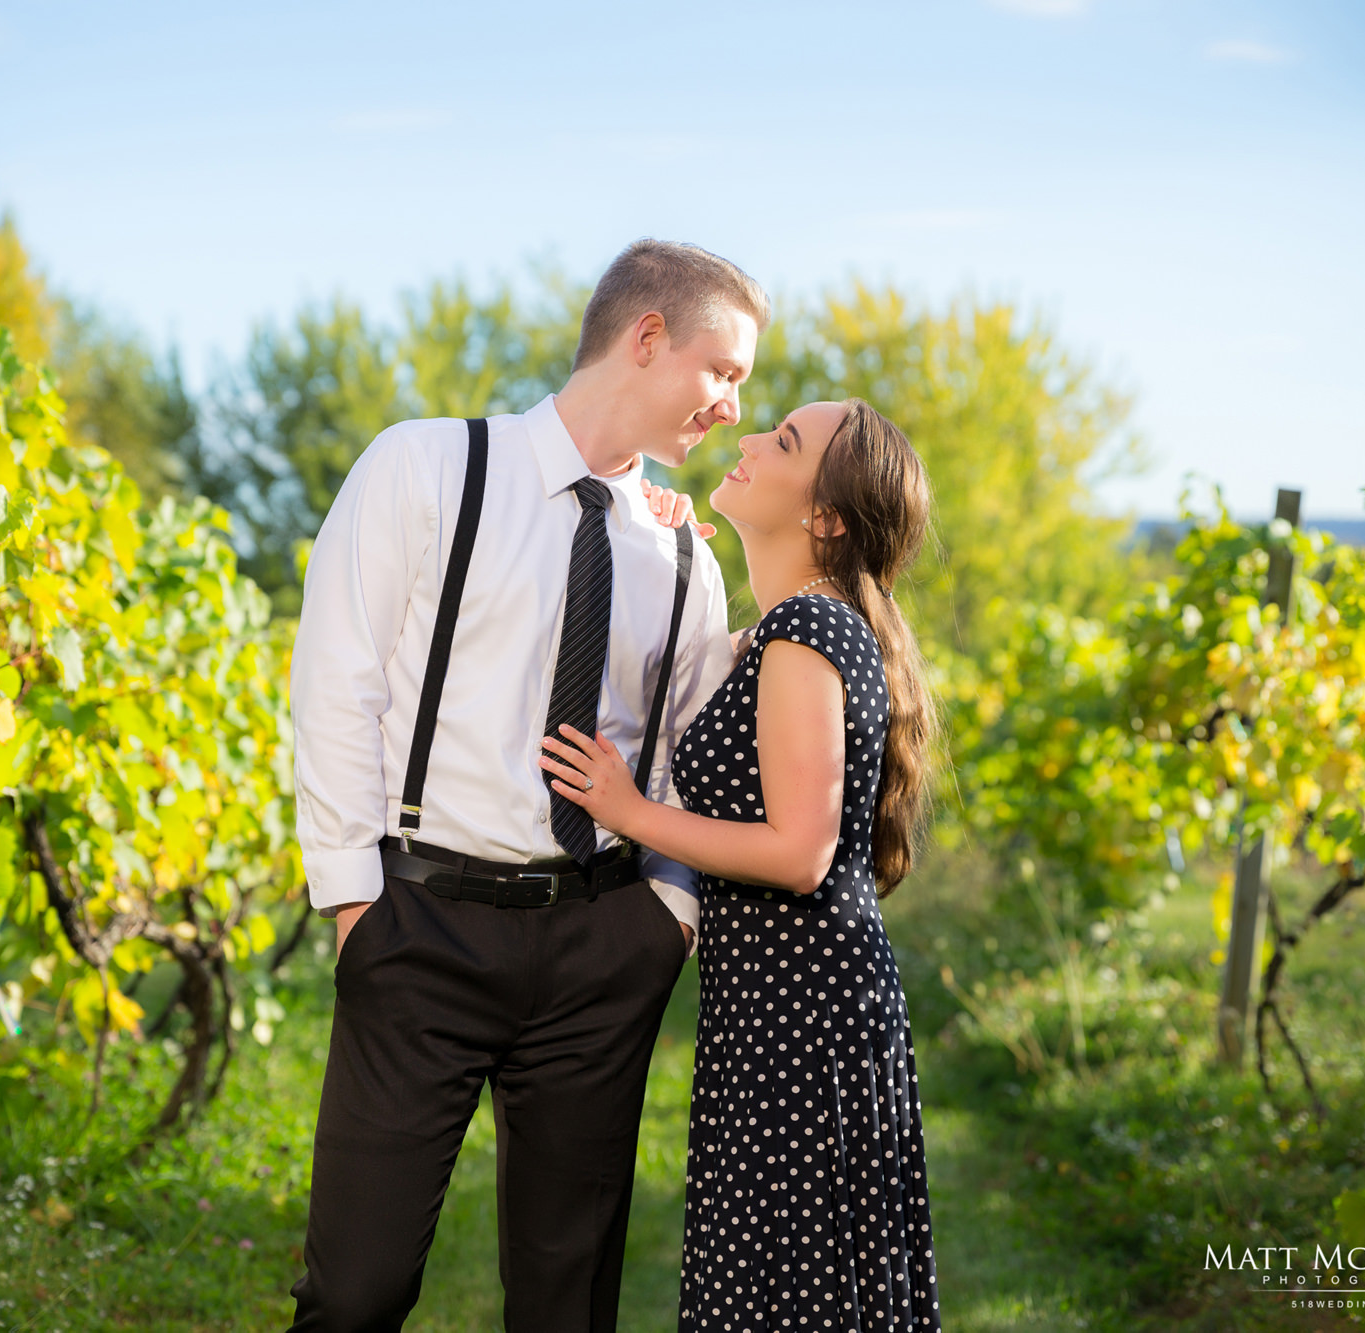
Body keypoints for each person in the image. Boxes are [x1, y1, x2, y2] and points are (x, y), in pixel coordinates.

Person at [286, 239, 768, 1332]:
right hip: (419, 928)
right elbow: (336, 684)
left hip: (601, 947)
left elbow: (686, 754)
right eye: (722, 372)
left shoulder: (683, 556)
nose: (731, 408)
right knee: (356, 1291)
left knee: (566, 1302)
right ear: (645, 338)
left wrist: (670, 912)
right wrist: (354, 902)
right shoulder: (424, 467)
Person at [541, 398, 944, 1330]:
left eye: (786, 442)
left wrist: (628, 812)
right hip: (782, 1004)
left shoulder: (807, 631)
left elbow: (800, 854)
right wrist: (660, 530)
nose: (753, 440)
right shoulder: (787, 628)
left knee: (786, 1292)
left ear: (827, 517)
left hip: (800, 1015)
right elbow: (687, 675)